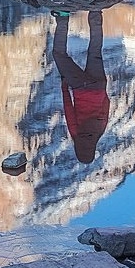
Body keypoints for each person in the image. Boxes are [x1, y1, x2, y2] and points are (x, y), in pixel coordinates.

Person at [52, 9, 108, 163]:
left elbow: (106, 105)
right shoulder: (77, 134)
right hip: (81, 88)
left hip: (99, 86)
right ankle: (63, 17)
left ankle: (95, 11)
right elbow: (68, 109)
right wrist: (65, 86)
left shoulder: (100, 131)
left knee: (95, 51)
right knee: (59, 54)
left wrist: (101, 90)